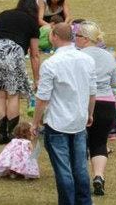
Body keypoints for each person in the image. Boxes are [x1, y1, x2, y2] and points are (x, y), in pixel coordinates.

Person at [29, 23, 96, 205]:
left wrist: (35, 123)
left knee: (63, 170)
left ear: (55, 36)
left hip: (57, 122)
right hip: (79, 120)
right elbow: (92, 92)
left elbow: (43, 98)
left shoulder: (51, 64)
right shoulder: (87, 60)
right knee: (80, 167)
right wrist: (90, 114)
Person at [0, 0, 41, 144]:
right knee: (13, 95)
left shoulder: (4, 14)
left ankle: (1, 134)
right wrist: (37, 78)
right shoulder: (32, 22)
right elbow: (35, 54)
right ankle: (12, 134)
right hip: (13, 52)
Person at [75, 22, 116, 196]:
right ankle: (99, 176)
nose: (74, 39)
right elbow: (114, 81)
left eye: (77, 36)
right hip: (107, 103)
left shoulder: (79, 56)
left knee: (80, 142)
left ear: (85, 39)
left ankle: (80, 178)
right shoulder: (108, 56)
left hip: (85, 102)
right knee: (100, 142)